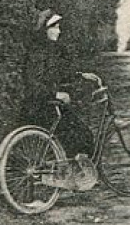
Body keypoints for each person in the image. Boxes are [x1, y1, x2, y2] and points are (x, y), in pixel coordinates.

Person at [21, 9, 94, 159]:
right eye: (55, 27)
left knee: (81, 133)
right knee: (81, 135)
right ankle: (68, 174)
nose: (58, 31)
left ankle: (72, 172)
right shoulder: (38, 52)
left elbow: (57, 74)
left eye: (59, 27)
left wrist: (81, 75)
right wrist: (55, 94)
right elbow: (33, 83)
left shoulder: (48, 49)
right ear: (45, 29)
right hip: (40, 107)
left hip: (48, 104)